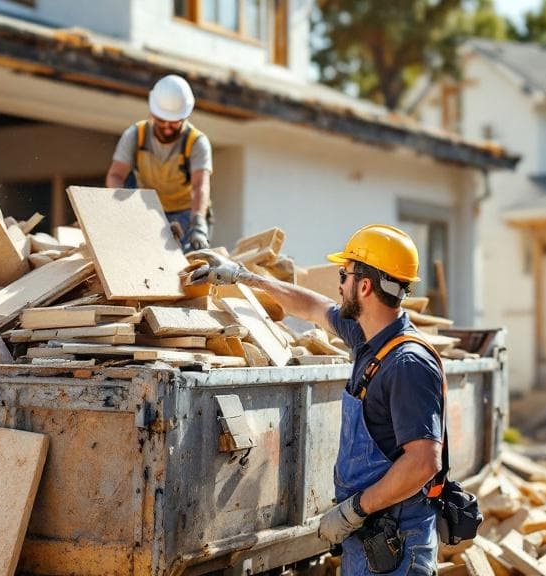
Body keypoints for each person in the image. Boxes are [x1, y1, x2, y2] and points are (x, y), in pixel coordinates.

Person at [186, 224, 445, 575]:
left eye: (345, 274)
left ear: (365, 286)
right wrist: (245, 277)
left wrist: (354, 511)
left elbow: (423, 463)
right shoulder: (371, 337)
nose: (340, 284)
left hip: (397, 544)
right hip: (372, 537)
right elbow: (312, 306)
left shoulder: (406, 364)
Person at [106, 74, 213, 251]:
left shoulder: (196, 142)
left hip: (187, 213)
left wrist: (198, 225)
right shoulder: (135, 135)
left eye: (173, 123)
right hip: (150, 211)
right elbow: (115, 175)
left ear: (185, 117)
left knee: (188, 265)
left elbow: (200, 186)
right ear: (152, 112)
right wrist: (126, 209)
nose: (167, 128)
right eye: (161, 121)